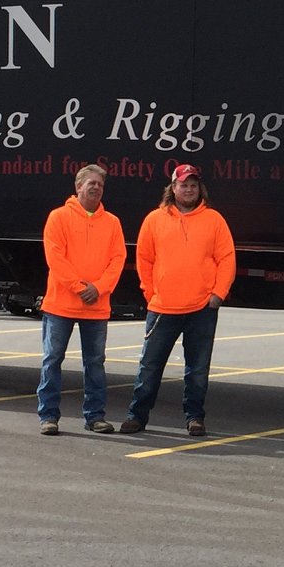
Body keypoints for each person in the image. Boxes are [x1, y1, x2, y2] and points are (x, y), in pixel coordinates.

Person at [120, 163, 236, 437]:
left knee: (197, 369)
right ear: (173, 188)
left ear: (200, 188)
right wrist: (150, 292)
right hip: (163, 308)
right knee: (149, 367)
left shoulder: (214, 220)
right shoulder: (154, 219)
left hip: (202, 309)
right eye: (183, 184)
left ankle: (194, 418)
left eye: (193, 184)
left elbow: (227, 258)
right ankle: (136, 416)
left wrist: (218, 294)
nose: (189, 189)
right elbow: (144, 259)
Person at [37, 164, 126, 437]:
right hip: (61, 304)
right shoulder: (58, 217)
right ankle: (49, 416)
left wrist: (98, 288)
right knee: (52, 359)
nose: (96, 187)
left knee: (95, 363)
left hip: (96, 306)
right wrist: (79, 288)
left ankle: (95, 416)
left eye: (100, 184)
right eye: (91, 183)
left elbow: (117, 259)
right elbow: (55, 258)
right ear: (78, 187)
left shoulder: (112, 223)